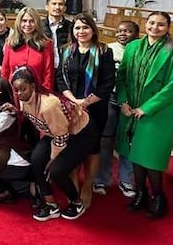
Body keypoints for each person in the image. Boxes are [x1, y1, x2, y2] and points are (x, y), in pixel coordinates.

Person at [117, 12, 173, 219]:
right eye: (152, 23)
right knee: (135, 156)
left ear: (168, 27)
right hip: (132, 108)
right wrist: (124, 102)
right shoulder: (132, 47)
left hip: (157, 112)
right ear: (145, 24)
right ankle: (141, 194)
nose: (155, 28)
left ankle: (158, 197)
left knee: (151, 158)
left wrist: (146, 108)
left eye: (161, 25)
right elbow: (121, 77)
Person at [9, 66, 98, 221]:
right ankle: (51, 204)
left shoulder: (48, 105)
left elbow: (62, 136)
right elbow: (34, 118)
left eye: (23, 89)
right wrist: (15, 111)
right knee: (36, 159)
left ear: (33, 86)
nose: (19, 93)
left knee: (56, 171)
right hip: (56, 131)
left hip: (81, 133)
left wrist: (52, 159)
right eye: (16, 90)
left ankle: (77, 203)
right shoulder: (25, 100)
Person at [55, 13, 116, 208]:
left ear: (93, 30)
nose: (81, 32)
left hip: (95, 107)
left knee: (93, 148)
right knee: (72, 145)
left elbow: (108, 83)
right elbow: (60, 79)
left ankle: (88, 184)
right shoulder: (66, 50)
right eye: (77, 28)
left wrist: (86, 102)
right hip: (70, 106)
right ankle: (74, 182)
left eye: (85, 27)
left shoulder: (103, 51)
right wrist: (74, 101)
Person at [94, 20, 139, 198]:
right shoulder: (107, 49)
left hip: (131, 100)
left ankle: (126, 180)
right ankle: (101, 179)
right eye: (120, 31)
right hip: (110, 99)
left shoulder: (139, 50)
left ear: (136, 34)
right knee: (105, 141)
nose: (123, 34)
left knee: (127, 142)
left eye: (128, 31)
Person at [1, 6, 54, 90]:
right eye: (24, 21)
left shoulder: (46, 44)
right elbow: (5, 71)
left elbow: (48, 73)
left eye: (31, 21)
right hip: (14, 92)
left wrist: (45, 95)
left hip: (37, 93)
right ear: (19, 23)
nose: (28, 24)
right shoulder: (10, 43)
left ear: (37, 23)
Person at [43, 0, 72, 73]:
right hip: (44, 68)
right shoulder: (39, 26)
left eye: (60, 4)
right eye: (54, 4)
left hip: (65, 68)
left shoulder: (71, 27)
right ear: (46, 7)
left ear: (65, 8)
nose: (57, 7)